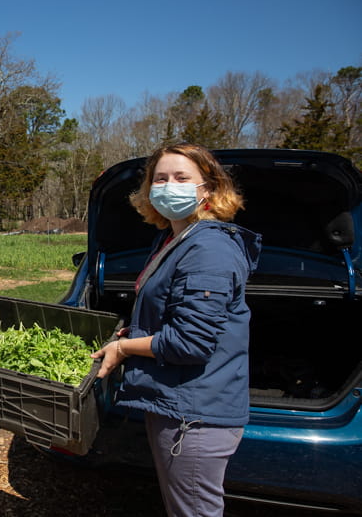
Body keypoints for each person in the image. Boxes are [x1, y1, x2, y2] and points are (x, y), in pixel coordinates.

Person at [91, 142, 261, 517]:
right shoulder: (176, 238)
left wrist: (125, 349)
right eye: (160, 178)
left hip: (196, 414)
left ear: (210, 190)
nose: (169, 186)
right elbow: (174, 316)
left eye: (182, 178)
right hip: (180, 403)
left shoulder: (210, 248)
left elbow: (190, 341)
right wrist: (132, 335)